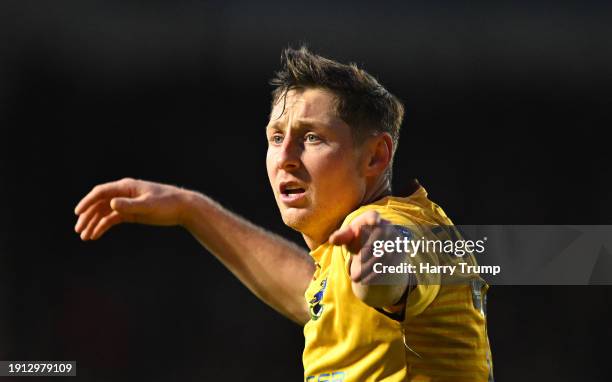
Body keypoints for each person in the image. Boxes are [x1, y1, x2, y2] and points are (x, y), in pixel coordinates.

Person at [74, 47, 493, 381]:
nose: (286, 159)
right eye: (277, 137)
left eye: (312, 137)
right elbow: (312, 294)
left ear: (375, 157)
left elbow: (394, 270)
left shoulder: (404, 225)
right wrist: (192, 209)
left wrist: (382, 256)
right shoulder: (339, 259)